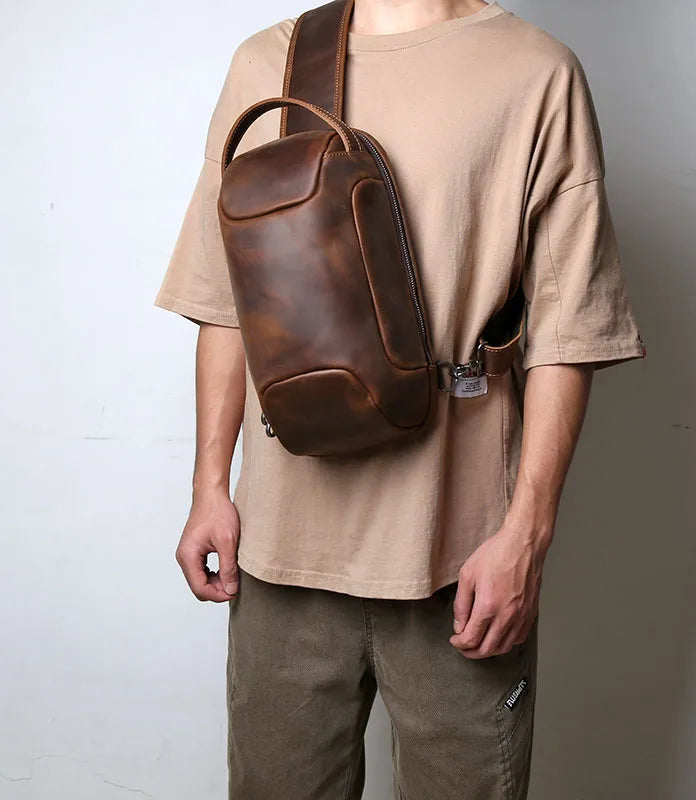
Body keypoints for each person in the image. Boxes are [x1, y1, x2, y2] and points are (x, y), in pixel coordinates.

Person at [154, 0, 646, 797]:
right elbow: (225, 302)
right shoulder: (270, 61)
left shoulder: (535, 72)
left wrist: (527, 537)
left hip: (461, 557)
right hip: (282, 554)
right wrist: (210, 486)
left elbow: (570, 331)